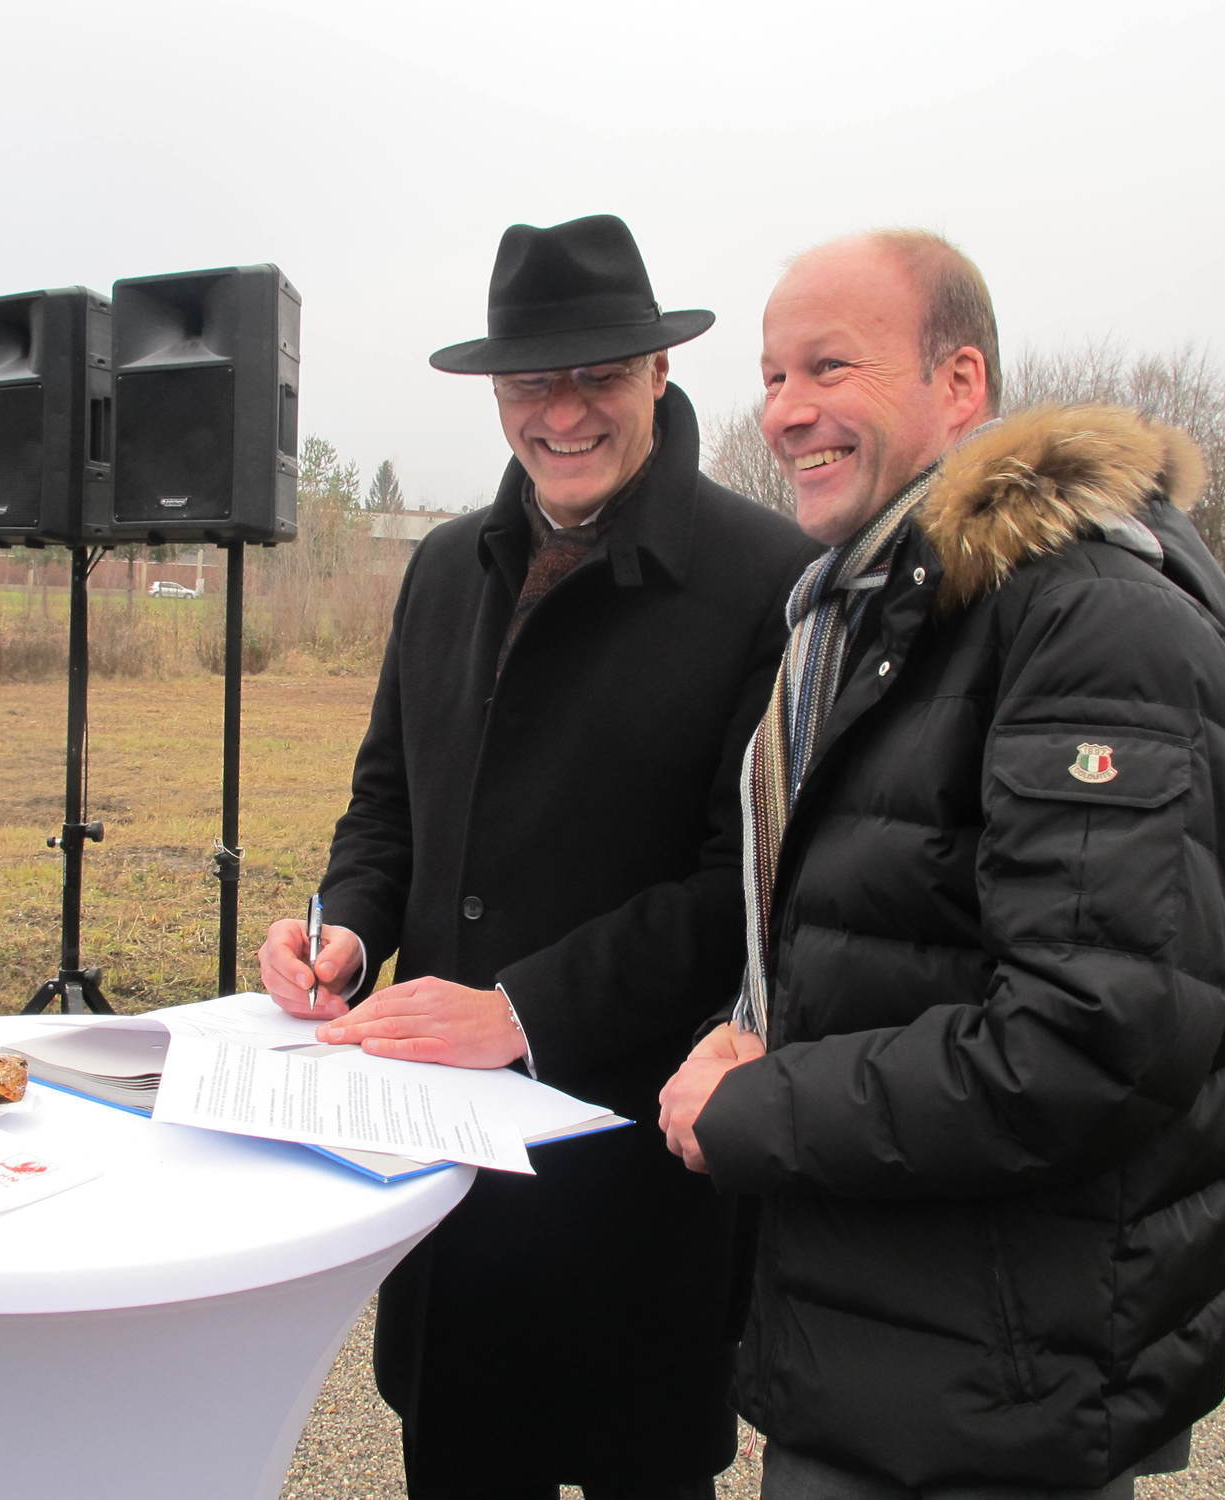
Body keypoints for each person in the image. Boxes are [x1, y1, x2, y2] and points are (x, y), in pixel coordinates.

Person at [658, 231, 1225, 1499]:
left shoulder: (1090, 623)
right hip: (877, 1341)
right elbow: (878, 936)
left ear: (959, 383)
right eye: (771, 377)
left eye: (830, 365)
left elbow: (1091, 1038)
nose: (786, 412)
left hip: (992, 1392)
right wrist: (748, 1029)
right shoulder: (872, 615)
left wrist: (761, 1109)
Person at [258, 214, 817, 1499]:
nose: (560, 414)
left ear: (659, 375)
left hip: (637, 1183)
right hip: (450, 1192)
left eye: (596, 377)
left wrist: (519, 1012)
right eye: (528, 384)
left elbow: (742, 890)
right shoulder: (447, 567)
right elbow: (386, 802)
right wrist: (342, 921)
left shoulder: (764, 579)